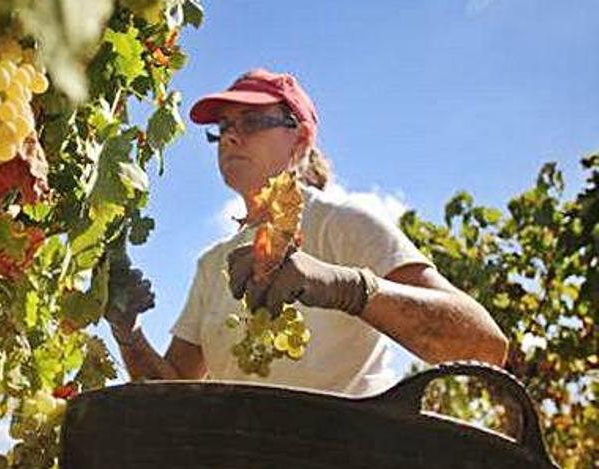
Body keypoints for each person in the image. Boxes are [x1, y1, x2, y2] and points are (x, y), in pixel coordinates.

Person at [104, 68, 508, 395]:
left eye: (253, 121)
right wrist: (129, 334)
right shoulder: (213, 265)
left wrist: (347, 288)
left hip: (346, 468)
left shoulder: (344, 225)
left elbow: (484, 346)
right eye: (222, 127)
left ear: (300, 139)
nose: (229, 136)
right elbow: (173, 397)